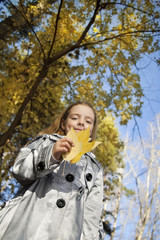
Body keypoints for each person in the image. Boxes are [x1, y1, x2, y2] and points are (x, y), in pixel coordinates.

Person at [0, 102, 105, 240]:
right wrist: (51, 154)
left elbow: (93, 213)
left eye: (88, 121)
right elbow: (20, 169)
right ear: (63, 123)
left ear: (92, 130)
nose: (81, 123)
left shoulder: (94, 168)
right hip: (25, 228)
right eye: (75, 118)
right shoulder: (45, 141)